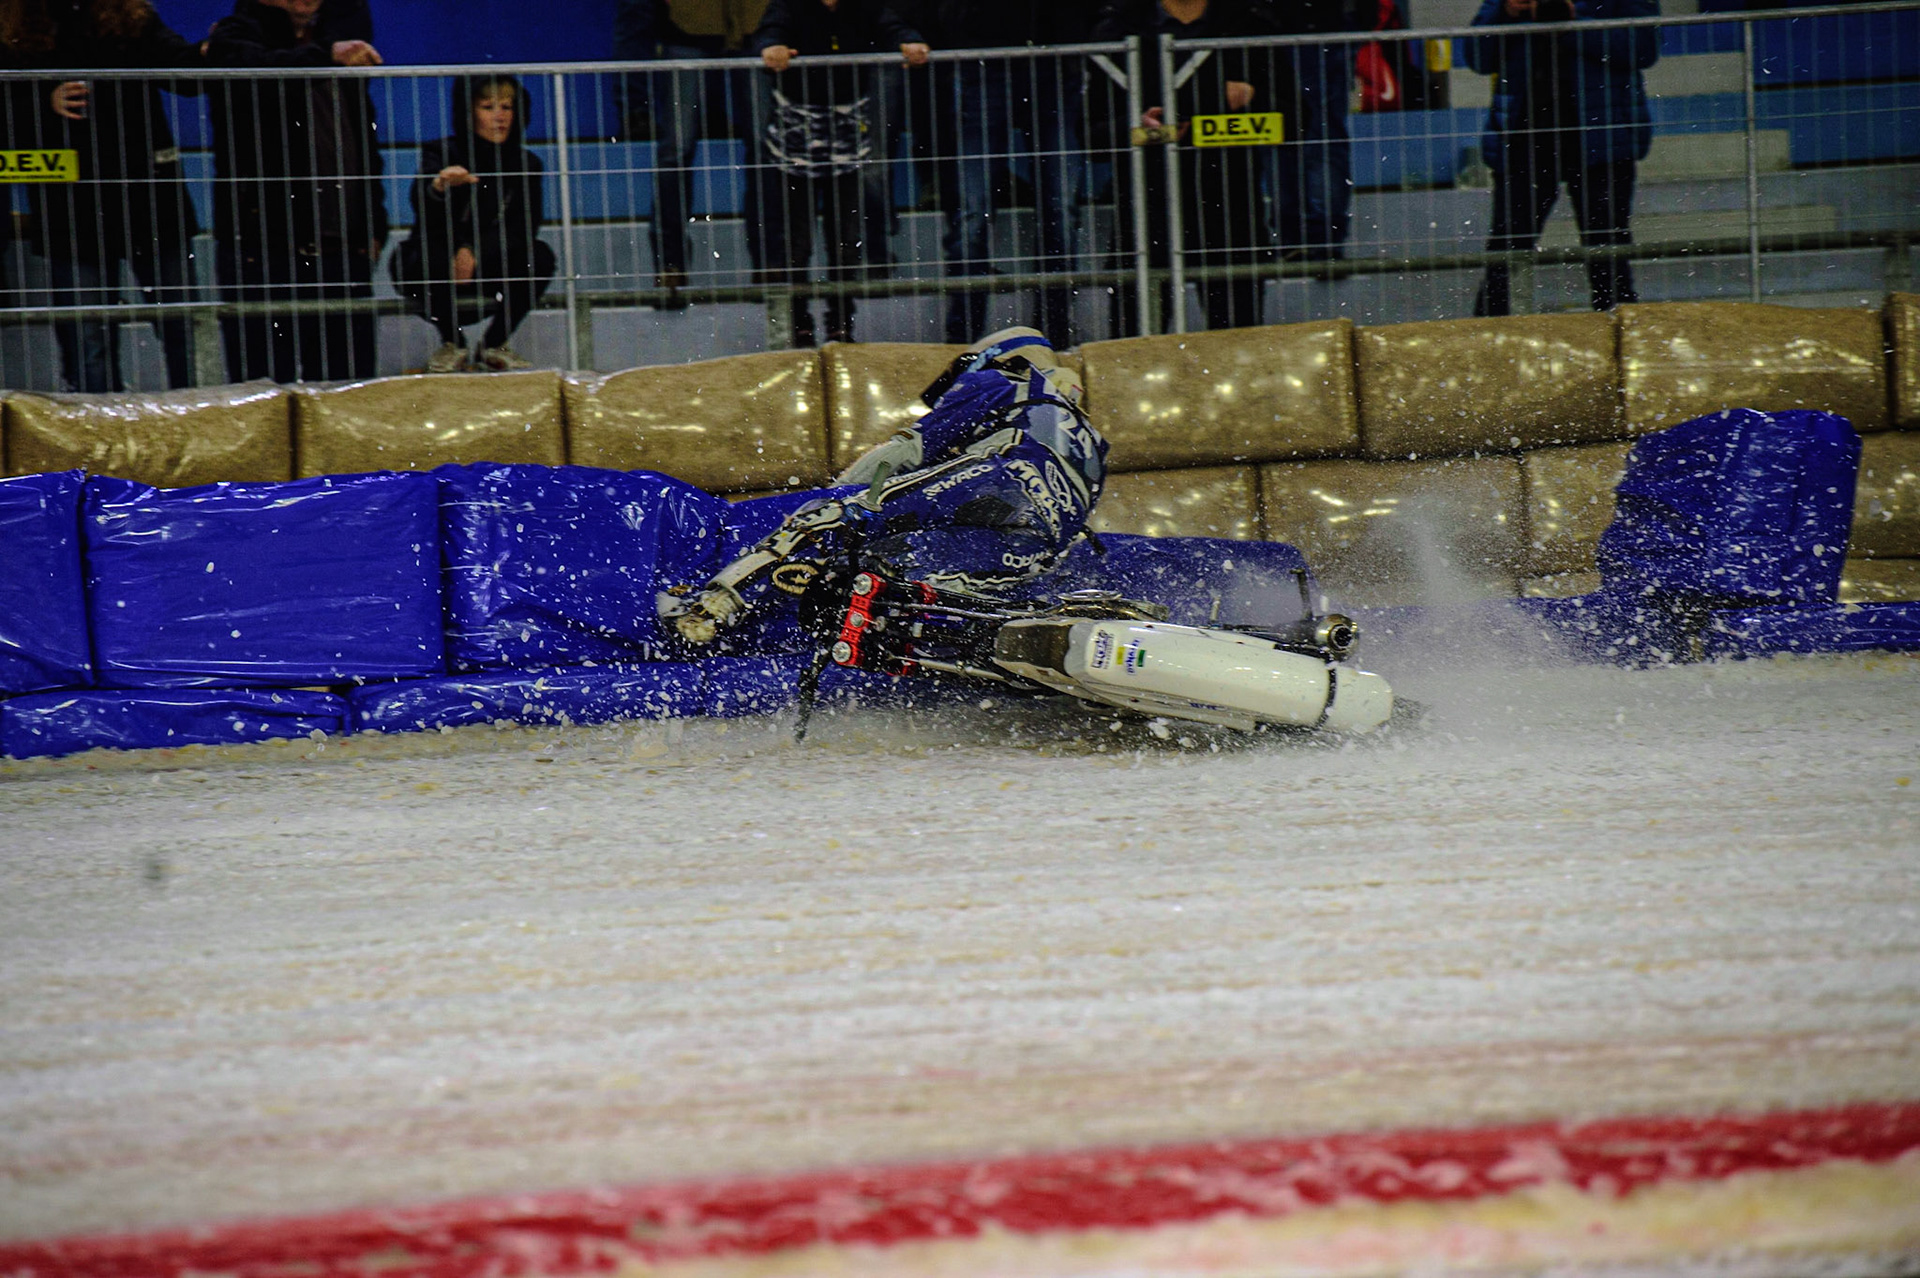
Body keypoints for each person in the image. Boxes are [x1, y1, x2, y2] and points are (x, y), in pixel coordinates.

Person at [666, 326, 1107, 644]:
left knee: (827, 520)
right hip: (1042, 539)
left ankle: (707, 607)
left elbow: (905, 454)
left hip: (997, 482)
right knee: (899, 576)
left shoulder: (1003, 380)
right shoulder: (1093, 446)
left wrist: (840, 495)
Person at [0, 0, 203, 392]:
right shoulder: (15, 26)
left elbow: (182, 69)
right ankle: (97, 437)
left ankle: (193, 419)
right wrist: (45, 100)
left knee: (181, 325)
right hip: (70, 208)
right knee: (87, 338)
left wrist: (209, 52)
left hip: (148, 197)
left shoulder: (132, 17)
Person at [206, 0, 388, 383]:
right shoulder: (234, 35)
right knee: (265, 386)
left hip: (341, 248)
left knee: (346, 388)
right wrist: (324, 55)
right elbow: (250, 65)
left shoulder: (347, 42)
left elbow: (362, 147)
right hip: (262, 250)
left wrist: (374, 221)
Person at [1092, 0, 1283, 333]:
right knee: (1134, 346)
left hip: (1230, 212)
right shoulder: (1117, 31)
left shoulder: (1249, 26)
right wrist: (1137, 127)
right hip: (1146, 217)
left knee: (1238, 342)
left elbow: (1294, 119)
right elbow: (1092, 135)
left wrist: (1252, 98)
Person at [1461, 0, 1657, 316]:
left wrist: (1567, 24)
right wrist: (1506, 13)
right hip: (1525, 139)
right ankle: (1487, 345)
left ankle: (1623, 350)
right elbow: (1477, 57)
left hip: (1601, 141)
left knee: (1609, 260)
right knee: (1503, 260)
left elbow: (1644, 48)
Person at [751, 0, 928, 346]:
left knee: (845, 238)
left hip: (848, 134)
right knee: (796, 241)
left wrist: (908, 40)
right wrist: (770, 48)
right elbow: (771, 29)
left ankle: (841, 322)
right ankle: (799, 321)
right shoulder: (789, 6)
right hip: (796, 134)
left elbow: (891, 23)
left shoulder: (864, 7)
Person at [927, 1, 1095, 347]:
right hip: (984, 64)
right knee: (972, 210)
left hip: (1057, 64)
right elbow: (948, 15)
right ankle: (962, 340)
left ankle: (1054, 334)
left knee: (1061, 206)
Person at [389, 75, 554, 373]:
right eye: (488, 107)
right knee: (423, 254)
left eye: (506, 107)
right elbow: (423, 214)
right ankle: (453, 344)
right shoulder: (440, 152)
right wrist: (439, 187)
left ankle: (493, 344)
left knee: (539, 255)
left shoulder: (527, 163)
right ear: (469, 112)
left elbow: (523, 227)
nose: (500, 116)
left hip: (489, 264)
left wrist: (475, 250)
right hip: (438, 266)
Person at [613, 0, 776, 297]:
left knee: (764, 149)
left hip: (755, 26)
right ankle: (670, 263)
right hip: (686, 26)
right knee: (676, 149)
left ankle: (769, 261)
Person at [1271, 0, 1364, 261]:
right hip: (1325, 23)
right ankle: (1321, 236)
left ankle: (1296, 235)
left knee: (1283, 132)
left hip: (1283, 25)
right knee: (1323, 133)